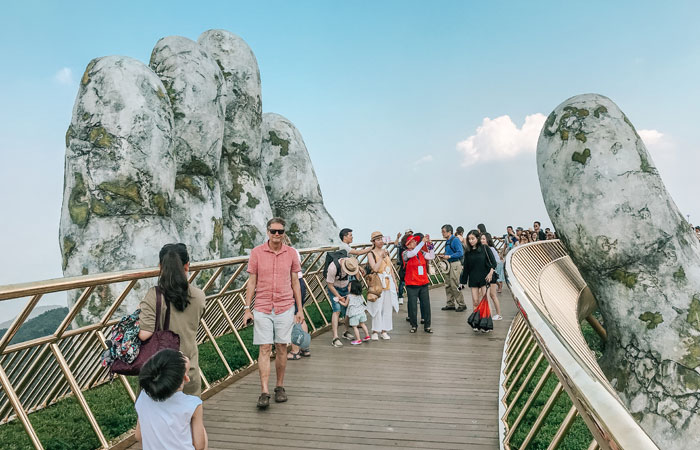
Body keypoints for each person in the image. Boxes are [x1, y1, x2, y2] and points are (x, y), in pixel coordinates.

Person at [243, 217, 304, 409]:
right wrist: (247, 308)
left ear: (284, 233)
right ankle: (264, 391)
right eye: (273, 231)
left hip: (285, 305)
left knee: (281, 347)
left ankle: (279, 386)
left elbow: (295, 282)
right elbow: (251, 282)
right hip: (262, 306)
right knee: (264, 348)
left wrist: (299, 309)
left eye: (280, 231)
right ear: (268, 232)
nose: (277, 235)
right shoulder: (256, 253)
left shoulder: (291, 253)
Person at [139, 243, 206, 396]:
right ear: (187, 266)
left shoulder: (153, 296)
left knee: (150, 417)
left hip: (160, 375)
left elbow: (145, 334)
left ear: (160, 266)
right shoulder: (199, 296)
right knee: (190, 417)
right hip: (189, 371)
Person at [135, 349, 208, 450]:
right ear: (186, 378)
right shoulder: (193, 404)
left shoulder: (143, 397)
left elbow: (138, 435)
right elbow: (200, 446)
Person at [366, 231, 399, 340]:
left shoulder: (386, 252)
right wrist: (381, 257)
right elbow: (374, 268)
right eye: (378, 239)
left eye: (381, 239)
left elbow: (391, 268)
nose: (380, 241)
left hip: (388, 282)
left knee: (387, 307)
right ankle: (375, 330)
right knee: (377, 307)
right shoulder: (371, 253)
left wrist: (395, 281)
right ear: (373, 242)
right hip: (378, 282)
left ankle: (384, 330)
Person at [284, 235, 310, 360]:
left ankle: (295, 351)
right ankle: (305, 347)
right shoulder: (295, 251)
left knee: (293, 318)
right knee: (300, 315)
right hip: (300, 283)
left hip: (291, 284)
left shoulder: (285, 254)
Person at [403, 234, 435, 334]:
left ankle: (427, 325)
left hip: (423, 282)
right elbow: (413, 253)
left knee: (426, 304)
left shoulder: (420, 251)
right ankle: (413, 325)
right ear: (407, 245)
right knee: (413, 306)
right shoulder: (405, 253)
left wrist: (430, 246)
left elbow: (431, 256)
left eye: (415, 241)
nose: (415, 242)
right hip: (412, 283)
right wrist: (422, 242)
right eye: (412, 242)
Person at [326, 256, 360, 347]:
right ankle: (335, 337)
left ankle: (346, 331)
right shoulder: (332, 268)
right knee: (336, 310)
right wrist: (339, 296)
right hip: (334, 288)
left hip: (346, 287)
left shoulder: (351, 264)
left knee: (348, 310)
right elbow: (330, 285)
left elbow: (356, 273)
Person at [460, 230, 497, 310]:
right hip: (473, 278)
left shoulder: (485, 248)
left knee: (486, 301)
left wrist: (490, 273)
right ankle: (476, 321)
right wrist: (462, 282)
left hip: (484, 277)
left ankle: (488, 321)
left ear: (477, 238)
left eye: (473, 238)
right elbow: (466, 268)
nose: (471, 241)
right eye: (469, 239)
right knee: (475, 302)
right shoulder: (468, 252)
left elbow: (493, 263)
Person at [439, 224, 466, 312]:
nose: (442, 233)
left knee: (455, 284)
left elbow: (460, 253)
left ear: (449, 232)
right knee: (448, 284)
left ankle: (462, 304)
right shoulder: (448, 241)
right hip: (448, 264)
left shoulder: (455, 240)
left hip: (455, 264)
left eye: (443, 231)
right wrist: (444, 256)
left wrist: (449, 256)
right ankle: (450, 303)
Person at [338, 279, 371, 345]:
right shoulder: (360, 295)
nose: (348, 287)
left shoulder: (349, 296)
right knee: (362, 324)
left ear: (353, 288)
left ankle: (358, 340)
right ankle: (367, 336)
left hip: (354, 314)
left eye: (349, 286)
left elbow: (345, 304)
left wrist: (339, 301)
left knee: (355, 327)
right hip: (362, 313)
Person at [480, 233, 503, 320]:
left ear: (488, 240)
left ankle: (498, 314)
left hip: (491, 275)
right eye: (481, 239)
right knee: (485, 295)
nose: (482, 240)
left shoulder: (491, 249)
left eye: (483, 239)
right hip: (484, 274)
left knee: (492, 295)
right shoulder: (482, 249)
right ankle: (486, 314)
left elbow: (496, 261)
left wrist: (491, 271)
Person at [396, 228, 413, 305]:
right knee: (402, 282)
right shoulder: (401, 244)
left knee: (413, 282)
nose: (410, 235)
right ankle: (400, 297)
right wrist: (397, 237)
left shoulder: (413, 244)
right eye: (408, 233)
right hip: (403, 265)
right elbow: (395, 245)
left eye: (411, 233)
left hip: (412, 265)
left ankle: (415, 297)